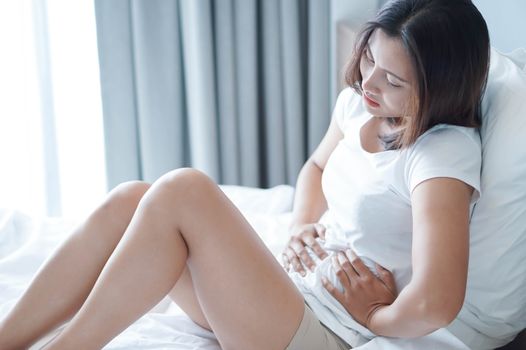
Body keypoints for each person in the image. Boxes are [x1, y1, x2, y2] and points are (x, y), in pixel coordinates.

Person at [0, 0, 490, 349]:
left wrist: (375, 316)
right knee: (134, 198)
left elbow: (438, 301)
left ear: (440, 89)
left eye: (393, 79)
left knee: (183, 192)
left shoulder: (441, 156)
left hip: (327, 331)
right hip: (287, 293)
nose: (368, 83)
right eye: (369, 60)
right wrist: (302, 223)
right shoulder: (360, 106)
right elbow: (317, 167)